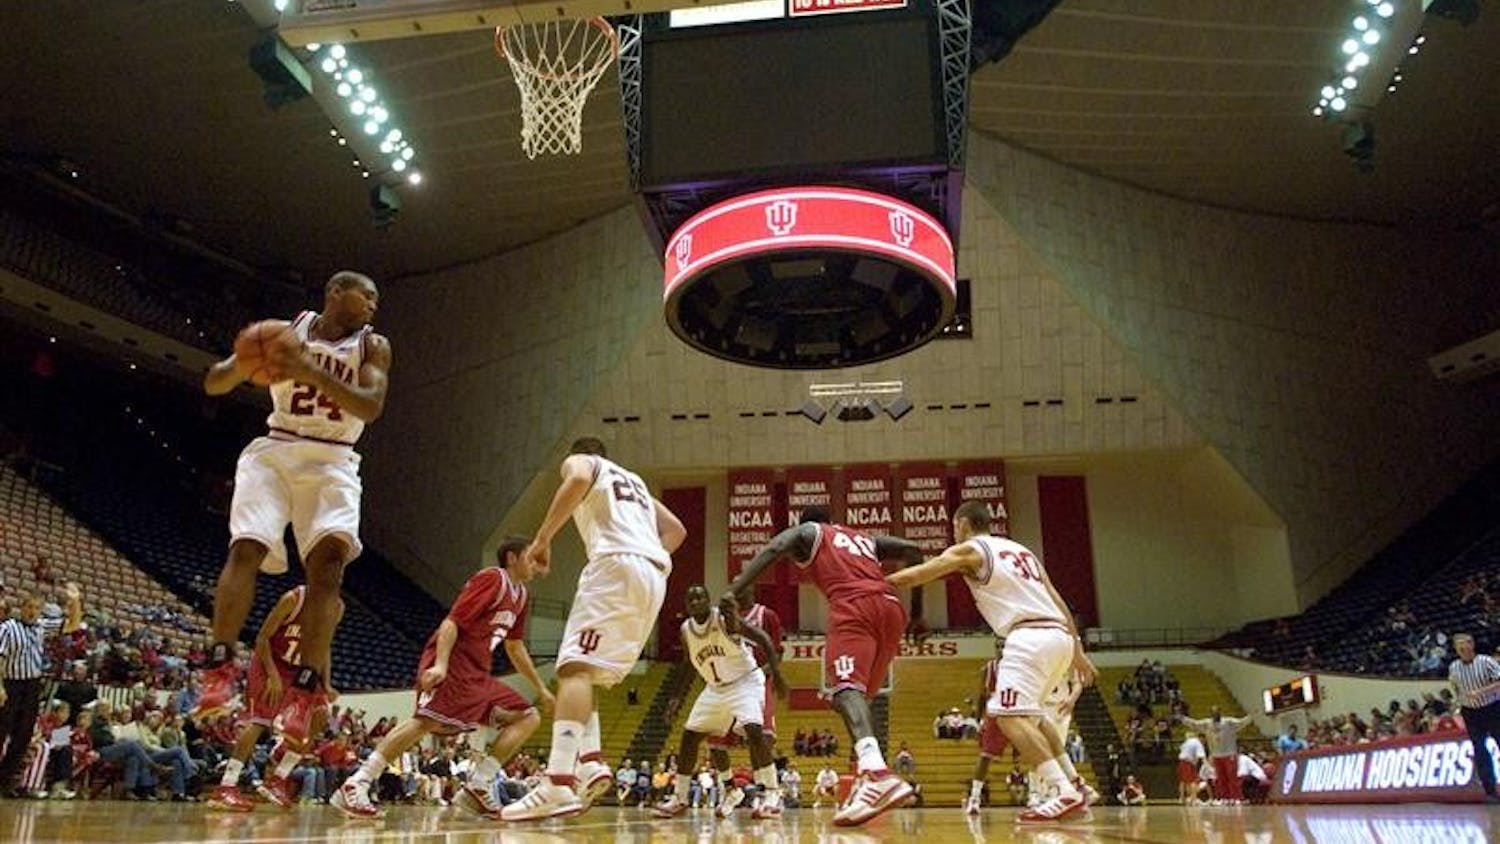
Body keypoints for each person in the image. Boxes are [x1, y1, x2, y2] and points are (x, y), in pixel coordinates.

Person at [195, 271, 391, 742]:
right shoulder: (284, 332)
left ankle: (305, 692)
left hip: (334, 461)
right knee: (246, 547)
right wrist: (246, 359)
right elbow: (214, 384)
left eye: (376, 299)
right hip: (277, 449)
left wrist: (309, 371)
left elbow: (369, 406)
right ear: (335, 292)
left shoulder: (373, 345)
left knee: (327, 571)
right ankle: (219, 668)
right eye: (366, 294)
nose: (372, 304)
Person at [502, 437, 685, 821]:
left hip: (616, 565)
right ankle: (590, 760)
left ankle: (557, 782)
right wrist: (645, 553)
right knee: (587, 672)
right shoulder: (634, 483)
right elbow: (677, 531)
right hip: (653, 575)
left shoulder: (582, 462)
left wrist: (543, 538)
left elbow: (577, 479)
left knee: (571, 669)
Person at [887, 500, 1096, 823]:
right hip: (1059, 637)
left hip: (1028, 638)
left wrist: (874, 584)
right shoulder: (1022, 551)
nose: (954, 532)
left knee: (1006, 718)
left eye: (954, 526)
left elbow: (920, 573)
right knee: (1035, 718)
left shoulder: (971, 549)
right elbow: (1056, 598)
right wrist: (1078, 651)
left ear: (964, 524)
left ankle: (1062, 790)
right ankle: (1078, 785)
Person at [721, 506, 921, 826]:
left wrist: (733, 590)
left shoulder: (811, 532)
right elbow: (913, 550)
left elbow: (775, 547)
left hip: (854, 607)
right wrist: (920, 610)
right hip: (892, 608)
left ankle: (878, 773)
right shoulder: (864, 539)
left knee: (844, 693)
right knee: (859, 701)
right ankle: (864, 783)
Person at [333, 536, 551, 819]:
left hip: (479, 673)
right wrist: (441, 665)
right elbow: (452, 621)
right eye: (531, 557)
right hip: (455, 661)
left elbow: (515, 646)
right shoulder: (492, 579)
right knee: (426, 721)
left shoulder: (521, 596)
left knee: (528, 715)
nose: (535, 565)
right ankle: (357, 782)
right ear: (512, 557)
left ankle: (479, 784)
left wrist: (541, 688)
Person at [652, 585, 787, 820]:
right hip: (716, 688)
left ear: (708, 600)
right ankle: (680, 797)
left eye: (699, 597)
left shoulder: (724, 619)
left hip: (745, 681)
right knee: (689, 737)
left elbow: (763, 638)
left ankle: (773, 794)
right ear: (686, 605)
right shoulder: (686, 630)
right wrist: (675, 698)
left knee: (754, 730)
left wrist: (777, 673)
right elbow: (688, 665)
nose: (695, 602)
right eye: (690, 599)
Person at [207, 584, 340, 811]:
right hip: (270, 663)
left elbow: (324, 647)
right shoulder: (293, 599)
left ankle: (278, 779)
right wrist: (272, 676)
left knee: (320, 714)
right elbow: (262, 638)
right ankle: (226, 786)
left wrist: (326, 682)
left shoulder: (335, 607)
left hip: (301, 669)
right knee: (260, 722)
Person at [0, 584, 81, 796]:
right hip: (10, 684)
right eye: (29, 607)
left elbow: (73, 624)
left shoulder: (42, 626)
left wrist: (75, 600)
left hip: (32, 686)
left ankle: (4, 781)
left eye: (37, 608)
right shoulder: (7, 628)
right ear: (22, 606)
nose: (32, 611)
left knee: (23, 736)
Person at [1448, 632, 1500, 803]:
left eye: (1465, 644)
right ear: (1456, 649)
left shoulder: (1486, 661)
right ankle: (1490, 791)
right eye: (1459, 646)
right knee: (1480, 750)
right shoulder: (1453, 667)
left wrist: (1481, 691)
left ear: (1472, 645)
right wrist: (1459, 705)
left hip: (1492, 708)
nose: (1463, 649)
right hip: (1470, 712)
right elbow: (1455, 687)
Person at [1179, 706, 1252, 803]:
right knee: (1220, 779)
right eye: (1213, 713)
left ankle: (1236, 798)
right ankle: (1224, 798)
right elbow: (1194, 724)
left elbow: (1242, 722)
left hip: (1229, 754)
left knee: (1232, 778)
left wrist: (1251, 716)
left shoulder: (1229, 722)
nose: (1215, 714)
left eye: (1217, 712)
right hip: (1216, 755)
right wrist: (1183, 719)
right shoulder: (1206, 724)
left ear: (1220, 713)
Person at [1177, 730, 1206, 804]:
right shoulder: (1198, 743)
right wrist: (1207, 766)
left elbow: (1181, 749)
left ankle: (1182, 798)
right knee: (1192, 781)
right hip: (1188, 763)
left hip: (1181, 762)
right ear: (1202, 738)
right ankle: (1194, 799)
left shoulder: (1187, 741)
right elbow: (1202, 757)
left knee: (1183, 781)